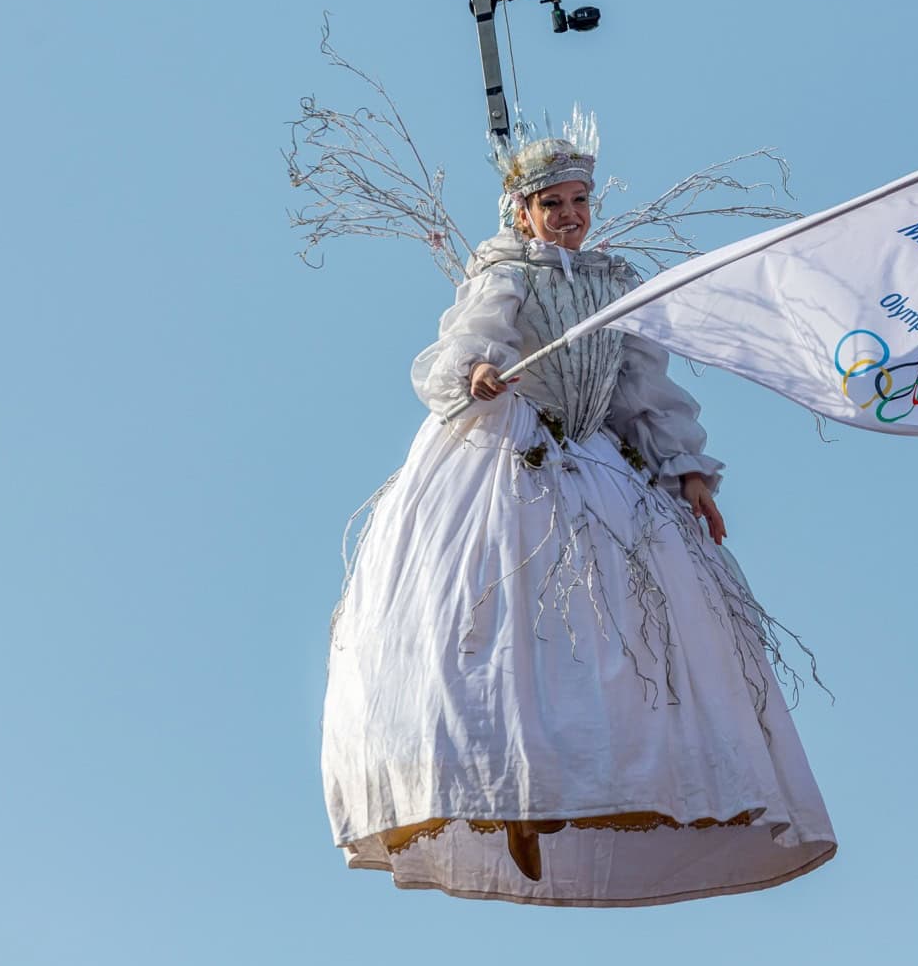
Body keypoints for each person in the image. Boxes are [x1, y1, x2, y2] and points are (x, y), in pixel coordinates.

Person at [320, 120, 836, 907]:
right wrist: (481, 371)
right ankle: (506, 787)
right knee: (504, 633)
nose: (569, 215)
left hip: (598, 463)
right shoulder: (507, 273)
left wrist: (686, 471)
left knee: (620, 640)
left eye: (579, 200)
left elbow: (641, 388)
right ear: (522, 211)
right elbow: (466, 343)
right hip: (508, 454)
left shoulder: (610, 281)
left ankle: (603, 778)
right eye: (553, 203)